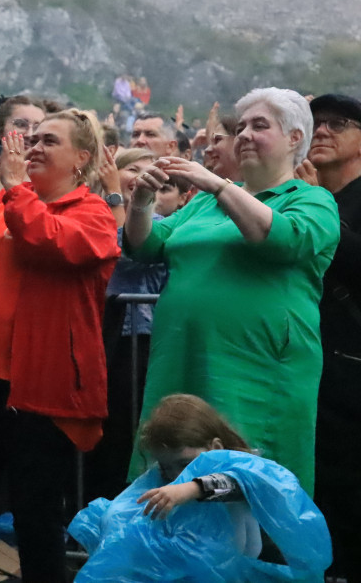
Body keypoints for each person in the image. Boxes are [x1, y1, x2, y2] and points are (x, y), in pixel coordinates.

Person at [0, 108, 119, 583]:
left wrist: (12, 189)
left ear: (82, 158)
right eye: (31, 139)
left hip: (36, 388)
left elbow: (47, 243)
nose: (34, 147)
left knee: (37, 518)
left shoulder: (93, 213)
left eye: (50, 141)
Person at [123, 87, 341, 492]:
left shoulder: (311, 200)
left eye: (260, 125)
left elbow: (284, 239)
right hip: (182, 359)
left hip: (256, 370)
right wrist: (141, 202)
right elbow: (146, 245)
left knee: (247, 478)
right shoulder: (204, 205)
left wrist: (220, 185)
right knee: (173, 465)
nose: (243, 135)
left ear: (295, 138)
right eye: (240, 127)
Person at [70, 394, 332, 582]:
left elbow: (241, 484)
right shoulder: (162, 477)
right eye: (167, 466)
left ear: (215, 448)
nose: (176, 474)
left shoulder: (239, 469)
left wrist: (190, 489)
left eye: (185, 463)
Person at [301, 93, 361, 583]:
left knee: (352, 500)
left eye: (337, 123)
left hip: (353, 374)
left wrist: (318, 207)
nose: (322, 129)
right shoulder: (294, 195)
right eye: (314, 122)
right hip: (299, 368)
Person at [86, 148, 167, 502]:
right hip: (97, 340)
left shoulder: (162, 226)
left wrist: (121, 197)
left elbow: (129, 254)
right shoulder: (90, 215)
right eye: (133, 168)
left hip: (139, 340)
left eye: (152, 173)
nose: (142, 176)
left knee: (125, 433)